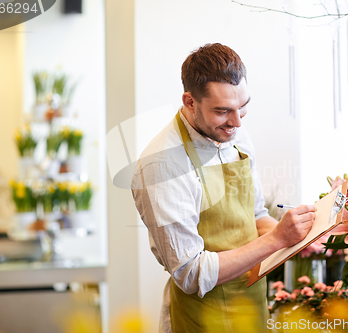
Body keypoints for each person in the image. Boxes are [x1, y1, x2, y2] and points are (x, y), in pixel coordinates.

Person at [131, 43, 316, 333]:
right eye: (222, 111)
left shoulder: (234, 134)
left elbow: (254, 217)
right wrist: (277, 239)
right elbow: (190, 273)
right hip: (201, 318)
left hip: (251, 307)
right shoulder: (162, 166)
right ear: (190, 102)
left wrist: (301, 236)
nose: (237, 121)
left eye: (243, 107)